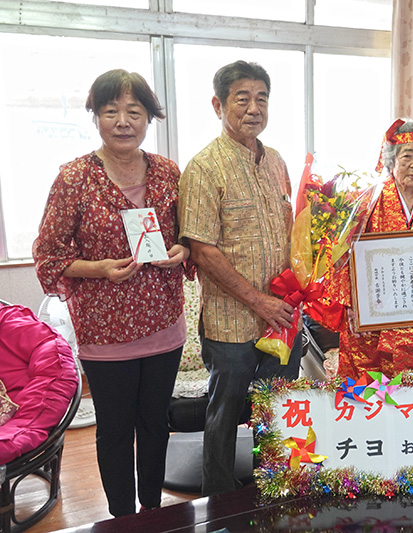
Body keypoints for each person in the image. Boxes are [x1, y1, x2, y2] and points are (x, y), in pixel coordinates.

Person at [33, 69, 190, 517]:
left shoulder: (167, 172)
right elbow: (49, 256)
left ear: (148, 118)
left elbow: (187, 238)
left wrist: (180, 250)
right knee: (116, 430)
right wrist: (98, 269)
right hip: (105, 333)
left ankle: (154, 510)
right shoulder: (74, 177)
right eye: (111, 111)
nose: (123, 121)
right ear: (96, 117)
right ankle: (123, 517)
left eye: (134, 111)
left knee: (155, 425)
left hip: (164, 323)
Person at [178, 60, 302, 497]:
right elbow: (203, 252)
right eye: (242, 99)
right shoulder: (204, 169)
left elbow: (296, 235)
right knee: (226, 410)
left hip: (282, 318)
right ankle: (220, 495)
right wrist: (258, 301)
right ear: (218, 104)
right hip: (232, 323)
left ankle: (276, 483)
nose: (254, 108)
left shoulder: (278, 162)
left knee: (279, 404)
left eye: (262, 98)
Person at [322, 118, 413, 379]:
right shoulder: (365, 201)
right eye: (407, 155)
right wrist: (350, 307)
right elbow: (338, 260)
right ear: (391, 160)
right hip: (375, 329)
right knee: (373, 405)